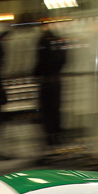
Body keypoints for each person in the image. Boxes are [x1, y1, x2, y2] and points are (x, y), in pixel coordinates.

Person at [34, 21, 67, 157]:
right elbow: (64, 59)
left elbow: (39, 61)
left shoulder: (42, 41)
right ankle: (56, 135)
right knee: (56, 109)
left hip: (46, 80)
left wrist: (37, 73)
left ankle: (49, 137)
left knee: (47, 110)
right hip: (56, 79)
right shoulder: (58, 40)